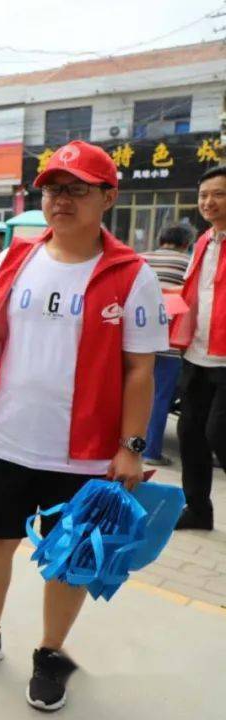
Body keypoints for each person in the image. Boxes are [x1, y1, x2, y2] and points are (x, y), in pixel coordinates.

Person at [0, 140, 167, 712]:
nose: (61, 200)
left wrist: (131, 447)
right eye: (53, 188)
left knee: (73, 556)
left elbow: (140, 370)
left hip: (85, 452)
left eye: (77, 189)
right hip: (4, 435)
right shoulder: (15, 258)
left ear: (108, 197)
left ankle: (50, 653)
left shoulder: (132, 275)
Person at [171, 165, 226, 530]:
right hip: (197, 352)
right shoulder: (203, 240)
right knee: (189, 433)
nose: (208, 202)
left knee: (218, 434)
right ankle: (198, 510)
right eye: (204, 195)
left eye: (218, 194)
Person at [141, 223, 195, 466]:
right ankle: (151, 452)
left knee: (132, 393)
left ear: (161, 239)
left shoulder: (142, 259)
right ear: (186, 243)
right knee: (161, 397)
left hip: (139, 340)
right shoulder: (189, 264)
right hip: (171, 343)